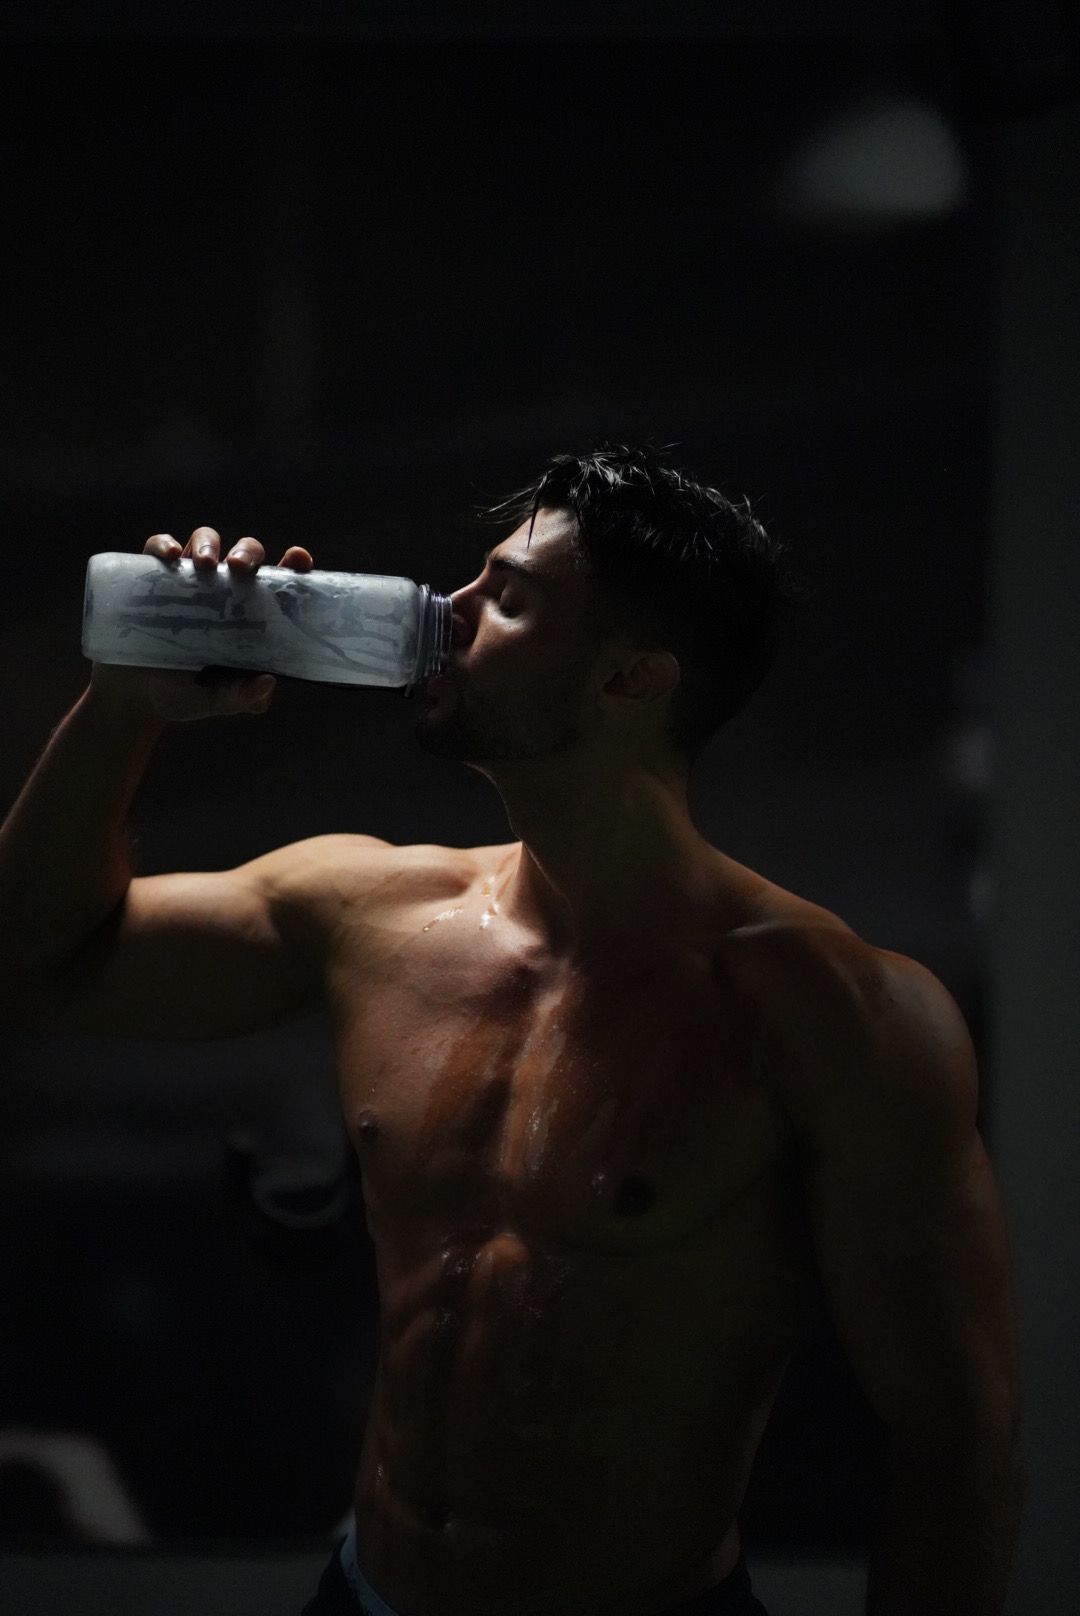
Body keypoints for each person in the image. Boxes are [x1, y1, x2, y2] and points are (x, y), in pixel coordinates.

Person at [0, 443, 1024, 1616]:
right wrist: (121, 707)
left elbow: (958, 1437)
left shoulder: (831, 1013)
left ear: (630, 679)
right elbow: (28, 968)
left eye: (511, 597)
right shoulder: (370, 910)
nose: (449, 610)